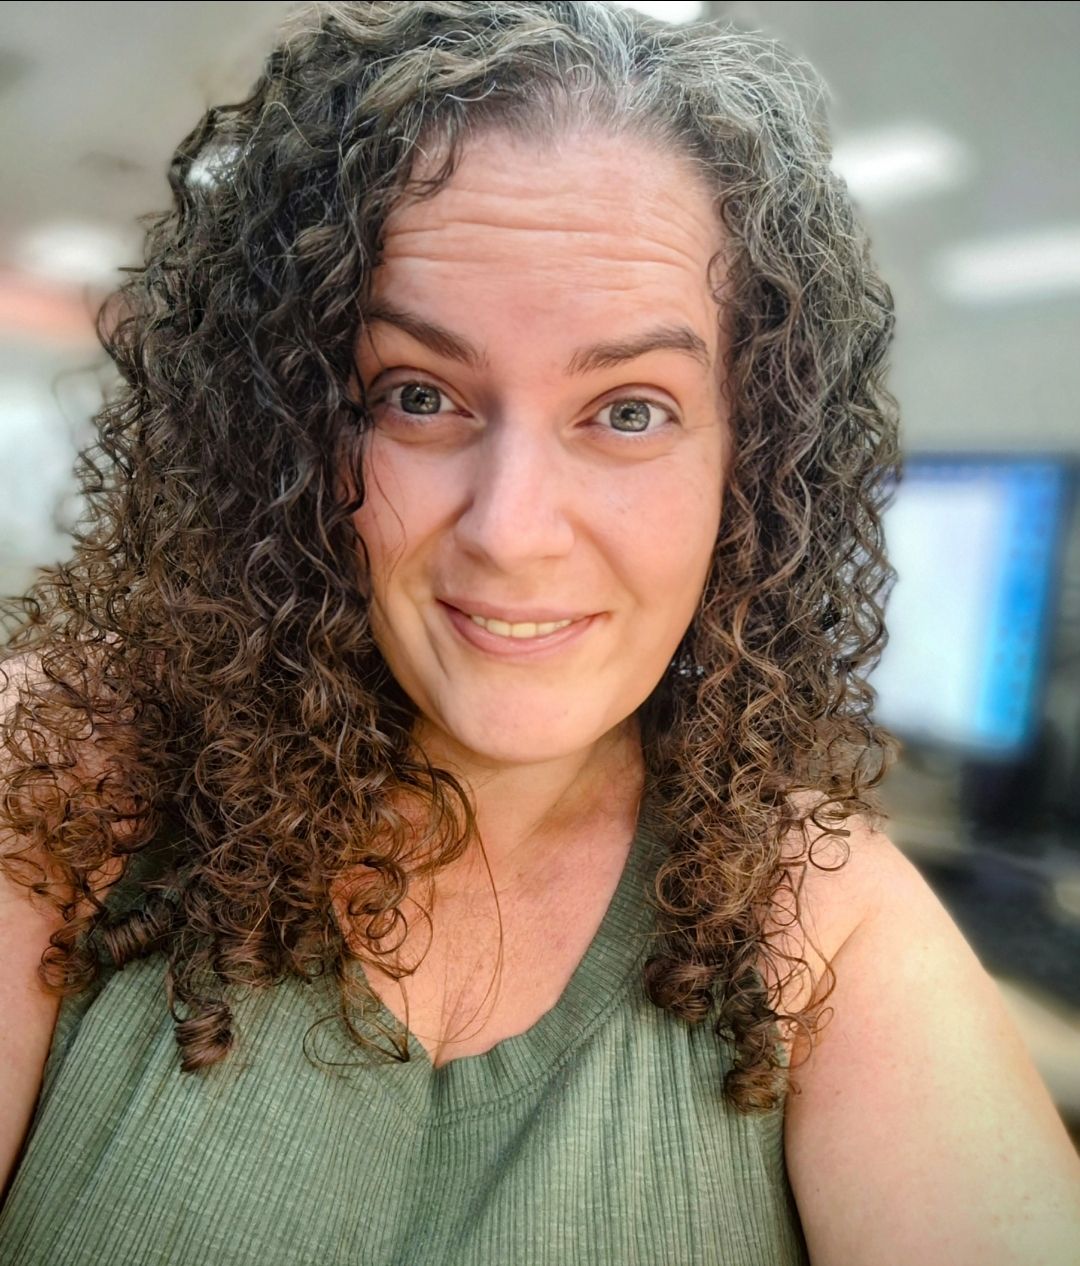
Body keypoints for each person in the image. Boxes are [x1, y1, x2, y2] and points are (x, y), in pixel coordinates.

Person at [1, 2, 1078, 1262]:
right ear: (282, 435)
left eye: (629, 411)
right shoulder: (61, 777)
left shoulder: (817, 914)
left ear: (752, 470)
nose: (511, 531)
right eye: (417, 396)